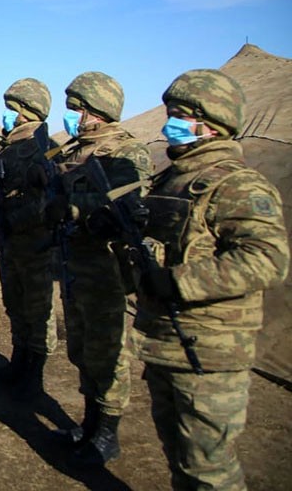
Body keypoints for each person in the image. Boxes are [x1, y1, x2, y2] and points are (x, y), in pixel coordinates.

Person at [134, 69, 289, 490]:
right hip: (166, 339)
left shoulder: (236, 184)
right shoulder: (172, 179)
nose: (171, 122)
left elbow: (268, 259)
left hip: (210, 351)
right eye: (170, 112)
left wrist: (180, 281)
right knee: (180, 457)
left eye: (181, 114)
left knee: (210, 470)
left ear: (212, 123)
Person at [47, 71, 152, 467]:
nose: (71, 115)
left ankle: (108, 432)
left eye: (78, 109)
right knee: (80, 345)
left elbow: (125, 202)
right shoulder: (70, 151)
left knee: (107, 349)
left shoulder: (127, 152)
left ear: (98, 112)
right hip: (72, 260)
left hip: (106, 266)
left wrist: (76, 207)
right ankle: (89, 422)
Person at [0, 79, 58, 399]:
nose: (9, 115)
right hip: (9, 240)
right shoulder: (6, 148)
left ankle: (35, 374)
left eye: (13, 110)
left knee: (38, 308)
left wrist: (16, 217)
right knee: (14, 303)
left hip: (36, 243)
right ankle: (18, 360)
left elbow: (51, 198)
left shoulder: (47, 146)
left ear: (27, 112)